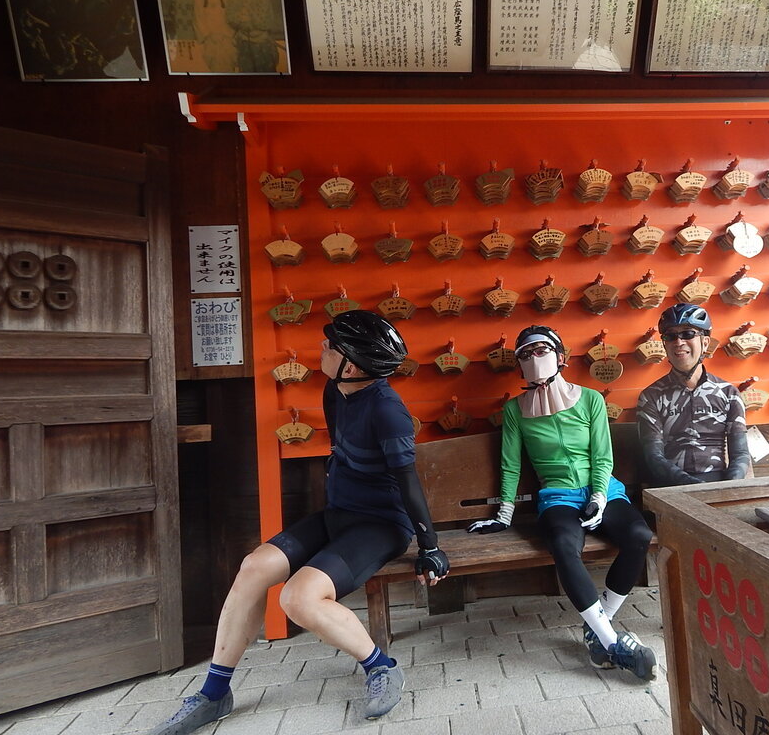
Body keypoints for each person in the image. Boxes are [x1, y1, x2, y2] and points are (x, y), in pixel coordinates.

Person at [150, 310, 450, 734]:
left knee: (297, 599)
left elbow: (408, 481)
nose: (322, 348)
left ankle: (382, 667)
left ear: (352, 366)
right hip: (337, 515)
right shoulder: (335, 390)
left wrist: (430, 546)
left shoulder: (388, 411)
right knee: (254, 567)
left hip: (380, 525)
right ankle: (214, 693)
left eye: (331, 346)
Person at [467, 325, 657, 680]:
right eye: (525, 354)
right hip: (557, 496)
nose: (533, 358)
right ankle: (612, 642)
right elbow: (510, 464)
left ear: (560, 356)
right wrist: (504, 514)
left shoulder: (591, 399)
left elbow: (602, 455)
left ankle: (599, 625)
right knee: (564, 545)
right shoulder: (515, 410)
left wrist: (599, 496)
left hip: (604, 489)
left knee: (639, 535)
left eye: (541, 350)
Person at [636, 303, 750, 486]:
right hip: (671, 487)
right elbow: (654, 457)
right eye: (670, 336)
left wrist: (727, 488)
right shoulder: (651, 397)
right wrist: (695, 488)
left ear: (705, 343)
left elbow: (741, 454)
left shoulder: (729, 393)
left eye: (688, 334)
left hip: (719, 484)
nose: (678, 342)